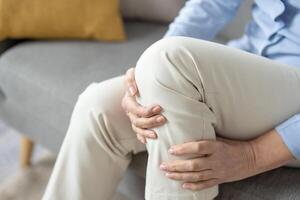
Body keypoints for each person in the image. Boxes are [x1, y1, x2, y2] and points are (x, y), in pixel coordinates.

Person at [43, 0, 300, 199]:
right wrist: (147, 76)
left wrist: (253, 155)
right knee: (98, 107)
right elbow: (211, 4)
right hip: (250, 65)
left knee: (169, 61)